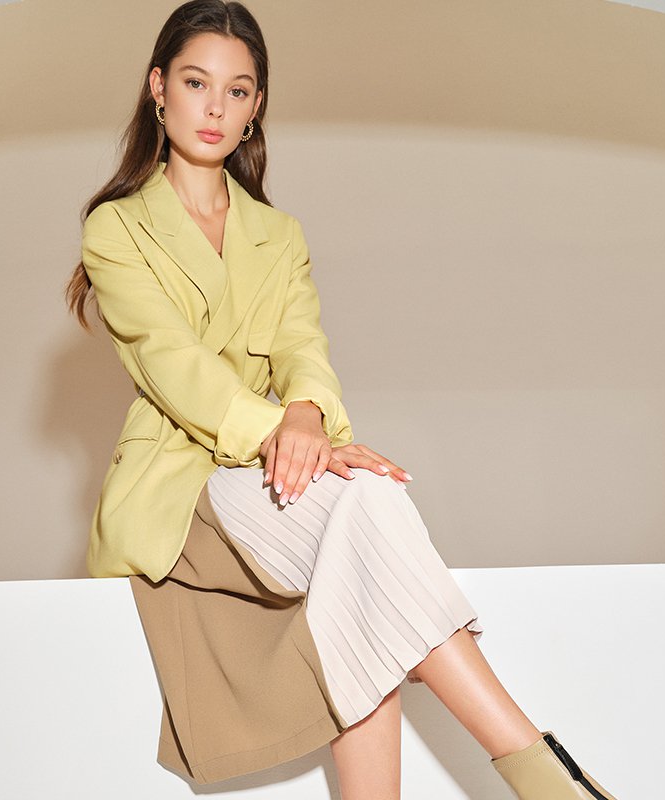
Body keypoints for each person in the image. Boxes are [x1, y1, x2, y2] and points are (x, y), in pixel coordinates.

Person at [63, 3, 621, 798]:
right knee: (369, 515)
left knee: (368, 522)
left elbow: (302, 349)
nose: (215, 107)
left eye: (236, 90)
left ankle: (541, 776)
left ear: (256, 107)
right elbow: (172, 363)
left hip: (263, 473)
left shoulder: (279, 234)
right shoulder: (116, 228)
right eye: (195, 83)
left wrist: (308, 417)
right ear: (158, 89)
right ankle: (545, 774)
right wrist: (282, 433)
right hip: (174, 489)